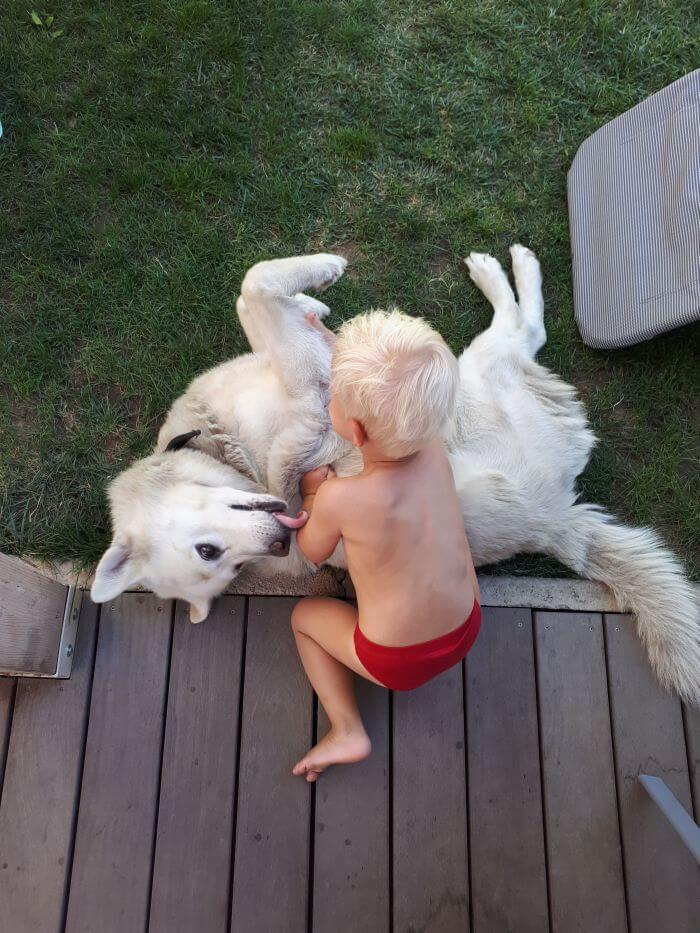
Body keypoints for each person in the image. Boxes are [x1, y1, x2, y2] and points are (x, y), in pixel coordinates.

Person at [284, 309, 481, 782]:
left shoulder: (341, 498)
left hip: (396, 662)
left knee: (304, 618)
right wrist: (335, 343)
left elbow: (311, 551)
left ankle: (348, 729)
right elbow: (391, 397)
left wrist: (312, 496)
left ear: (355, 432)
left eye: (335, 394)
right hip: (467, 625)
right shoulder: (433, 449)